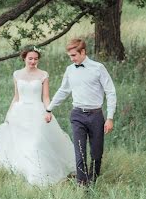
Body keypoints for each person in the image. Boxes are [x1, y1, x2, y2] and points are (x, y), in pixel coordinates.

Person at [0, 47, 74, 186]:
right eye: (30, 58)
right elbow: (16, 97)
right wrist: (8, 114)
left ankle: (39, 174)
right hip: (19, 112)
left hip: (37, 111)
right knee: (22, 143)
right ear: (24, 58)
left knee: (36, 142)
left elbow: (46, 97)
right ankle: (26, 171)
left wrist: (49, 111)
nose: (33, 61)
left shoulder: (43, 75)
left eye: (35, 59)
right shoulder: (17, 74)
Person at [45, 38, 117, 186]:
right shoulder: (70, 70)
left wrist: (109, 118)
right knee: (80, 151)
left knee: (96, 153)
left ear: (83, 52)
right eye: (70, 56)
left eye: (73, 55)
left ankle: (93, 181)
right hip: (77, 115)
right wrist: (49, 108)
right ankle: (82, 184)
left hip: (96, 115)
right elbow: (63, 91)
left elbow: (111, 92)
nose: (71, 59)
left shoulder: (98, 68)